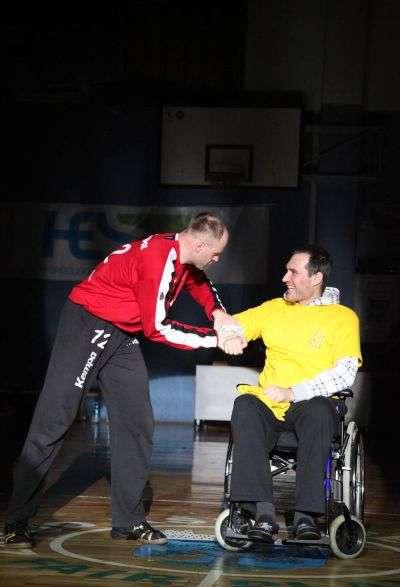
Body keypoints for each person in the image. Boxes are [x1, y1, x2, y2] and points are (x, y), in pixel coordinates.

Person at [2, 212, 246, 549]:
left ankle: (129, 521)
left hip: (121, 335)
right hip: (89, 324)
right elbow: (157, 328)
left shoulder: (181, 251)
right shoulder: (157, 262)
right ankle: (16, 522)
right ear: (201, 245)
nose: (217, 259)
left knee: (137, 421)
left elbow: (196, 280)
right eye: (216, 253)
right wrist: (216, 338)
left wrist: (217, 313)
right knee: (54, 419)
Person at [221, 245, 362, 542]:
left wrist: (293, 392)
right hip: (271, 405)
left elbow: (344, 373)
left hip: (312, 405)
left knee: (319, 409)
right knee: (245, 404)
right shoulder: (273, 309)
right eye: (286, 271)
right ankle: (262, 514)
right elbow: (234, 324)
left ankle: (306, 516)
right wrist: (228, 332)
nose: (285, 277)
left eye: (293, 272)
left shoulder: (343, 318)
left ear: (316, 278)